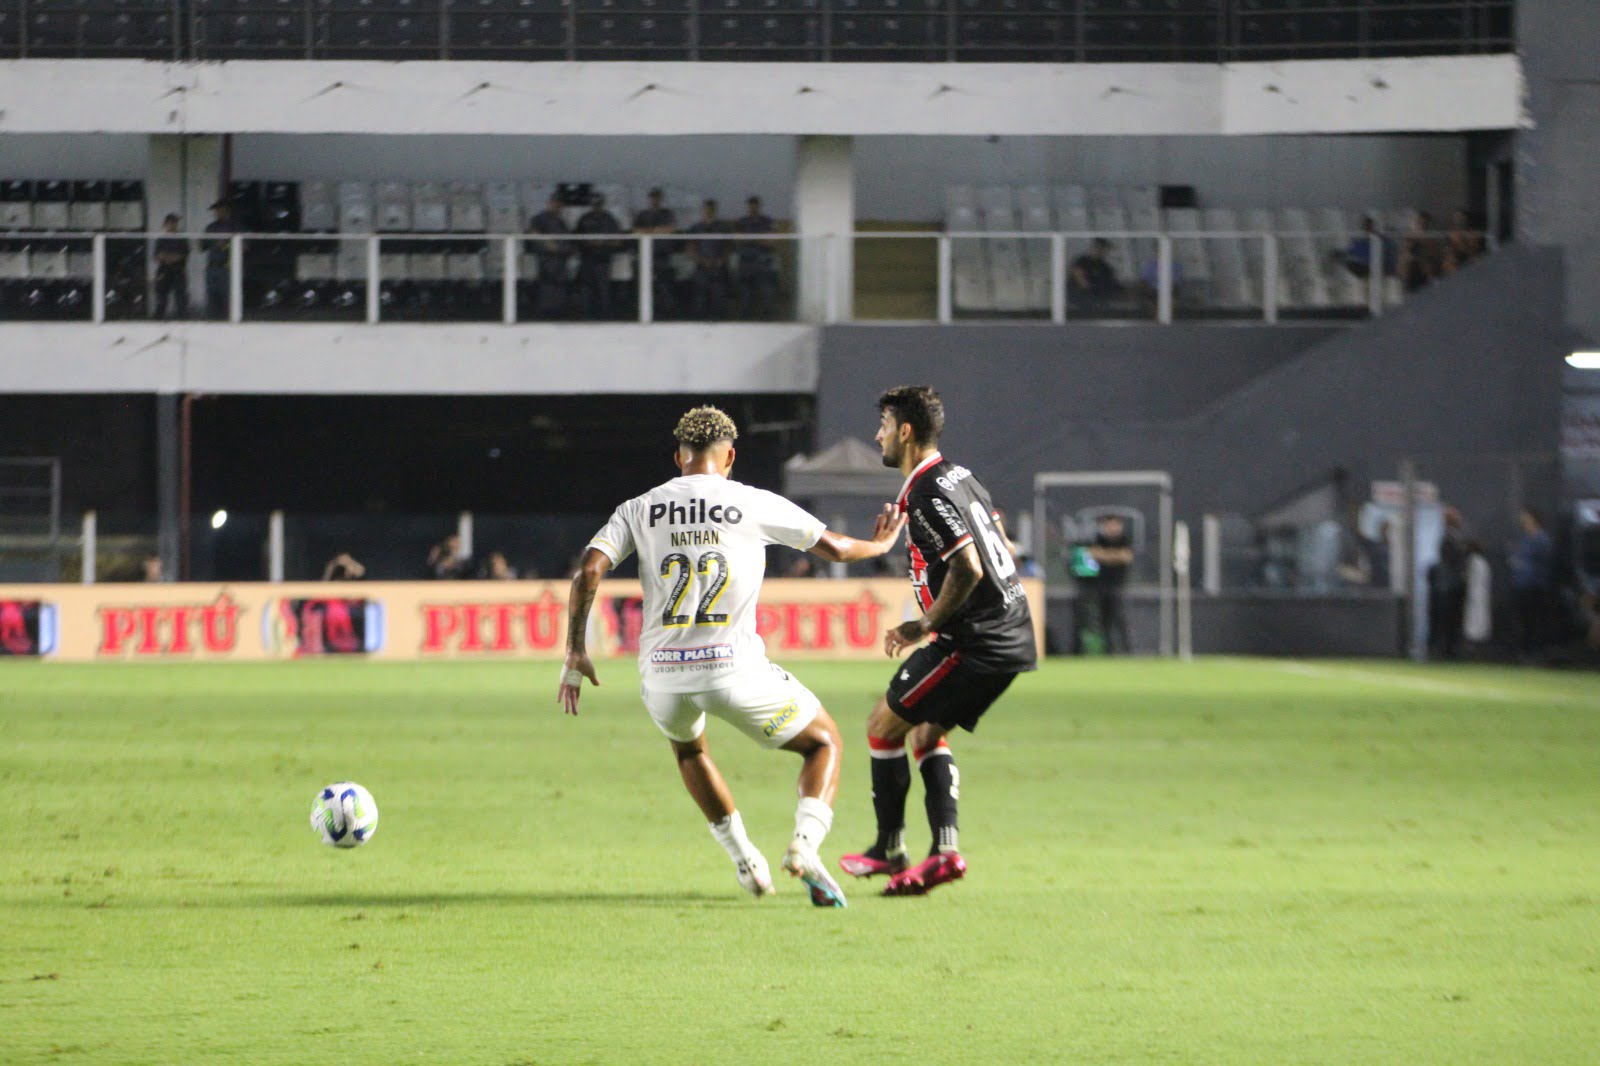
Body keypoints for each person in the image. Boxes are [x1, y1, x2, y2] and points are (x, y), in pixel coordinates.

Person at [558, 405, 906, 906]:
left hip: (662, 676)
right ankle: (805, 847)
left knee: (690, 751)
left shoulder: (639, 507)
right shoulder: (751, 501)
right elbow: (833, 547)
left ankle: (745, 860)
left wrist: (575, 652)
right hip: (731, 669)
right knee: (824, 743)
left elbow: (588, 572)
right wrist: (878, 546)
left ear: (679, 456)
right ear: (730, 458)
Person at [837, 385, 1037, 897]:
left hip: (973, 643)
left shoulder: (926, 490)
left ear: (904, 431)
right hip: (1010, 635)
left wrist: (921, 626)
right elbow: (1001, 542)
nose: (876, 434)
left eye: (882, 425)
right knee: (924, 734)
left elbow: (969, 566)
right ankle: (943, 855)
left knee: (883, 726)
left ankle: (888, 848)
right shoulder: (960, 475)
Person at [1509, 508, 1554, 659]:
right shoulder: (1525, 539)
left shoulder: (1542, 539)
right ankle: (1526, 650)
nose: (1523, 521)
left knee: (1535, 620)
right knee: (1524, 620)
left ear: (1534, 519)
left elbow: (1545, 563)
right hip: (1521, 585)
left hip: (1535, 587)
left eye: (1526, 518)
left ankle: (1537, 651)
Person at [1087, 514, 1134, 653]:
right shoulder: (1100, 539)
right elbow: (1095, 554)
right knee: (1104, 620)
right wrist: (1115, 556)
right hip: (1102, 586)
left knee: (1120, 618)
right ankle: (1108, 650)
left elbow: (1126, 556)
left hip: (1119, 586)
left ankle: (1126, 650)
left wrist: (1106, 555)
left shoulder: (1124, 539)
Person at [574, 194, 625, 319]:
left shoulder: (609, 219)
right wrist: (588, 242)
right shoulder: (584, 219)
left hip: (603, 259)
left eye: (598, 204)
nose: (596, 207)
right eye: (594, 204)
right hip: (587, 258)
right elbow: (577, 238)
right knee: (586, 289)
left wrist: (603, 242)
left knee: (604, 290)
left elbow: (618, 240)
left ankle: (605, 315)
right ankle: (586, 315)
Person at [1427, 507, 1469, 660]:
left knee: (1453, 620)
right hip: (1448, 586)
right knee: (1446, 619)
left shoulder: (1456, 537)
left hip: (1454, 585)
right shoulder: (1447, 538)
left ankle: (1450, 649)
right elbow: (1451, 560)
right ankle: (1442, 650)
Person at [632, 187, 679, 317]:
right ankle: (645, 313)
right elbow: (636, 231)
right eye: (652, 197)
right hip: (646, 256)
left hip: (662, 255)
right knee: (645, 286)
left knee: (664, 285)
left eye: (657, 197)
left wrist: (649, 231)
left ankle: (666, 314)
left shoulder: (667, 214)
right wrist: (655, 231)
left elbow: (670, 229)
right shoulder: (642, 215)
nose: (654, 200)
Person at [733, 196, 779, 320]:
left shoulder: (768, 221)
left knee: (767, 293)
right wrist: (759, 239)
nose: (753, 208)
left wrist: (750, 238)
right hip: (746, 262)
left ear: (759, 206)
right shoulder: (741, 222)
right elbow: (738, 240)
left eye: (755, 205)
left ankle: (768, 321)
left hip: (764, 262)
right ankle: (745, 322)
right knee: (745, 296)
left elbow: (771, 242)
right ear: (747, 207)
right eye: (750, 206)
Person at [525, 194, 571, 317]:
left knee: (560, 287)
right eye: (556, 202)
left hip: (561, 259)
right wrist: (548, 244)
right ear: (550, 203)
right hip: (547, 258)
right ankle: (545, 312)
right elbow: (533, 232)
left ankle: (559, 312)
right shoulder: (540, 218)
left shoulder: (561, 221)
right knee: (547, 286)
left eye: (560, 204)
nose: (558, 206)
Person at [686, 199, 732, 319]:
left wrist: (721, 260)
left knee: (719, 300)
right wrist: (701, 260)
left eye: (711, 209)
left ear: (715, 210)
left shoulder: (723, 227)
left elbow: (728, 247)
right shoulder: (696, 228)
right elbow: (690, 248)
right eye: (706, 209)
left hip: (719, 268)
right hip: (701, 267)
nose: (708, 212)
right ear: (702, 210)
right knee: (699, 300)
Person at [152, 213, 189, 319]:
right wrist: (168, 257)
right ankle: (158, 319)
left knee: (180, 297)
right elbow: (157, 256)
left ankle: (182, 319)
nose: (173, 225)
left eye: (175, 222)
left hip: (178, 270)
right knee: (161, 296)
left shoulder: (182, 238)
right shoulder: (161, 239)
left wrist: (167, 257)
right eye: (171, 222)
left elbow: (182, 255)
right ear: (165, 224)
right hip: (163, 270)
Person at [202, 200, 235, 320]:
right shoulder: (211, 227)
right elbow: (203, 247)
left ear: (226, 210)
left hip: (227, 267)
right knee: (212, 298)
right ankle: (212, 323)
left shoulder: (234, 226)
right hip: (212, 267)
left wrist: (227, 244)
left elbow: (245, 247)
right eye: (215, 211)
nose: (216, 213)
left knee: (227, 298)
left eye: (219, 210)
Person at [1400, 211, 1444, 294]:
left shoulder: (1431, 238)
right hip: (1412, 267)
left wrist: (1421, 238)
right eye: (1420, 223)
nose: (1422, 225)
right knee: (1407, 260)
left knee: (1426, 262)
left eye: (1424, 224)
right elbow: (1406, 250)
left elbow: (1434, 252)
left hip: (1425, 265)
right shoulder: (1411, 236)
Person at [1068, 238, 1119, 308]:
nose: (1103, 252)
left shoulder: (1104, 266)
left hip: (1099, 301)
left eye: (1105, 250)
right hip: (1081, 300)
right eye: (1101, 248)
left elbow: (1110, 281)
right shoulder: (1081, 262)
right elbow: (1081, 281)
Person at [1442, 209, 1485, 276]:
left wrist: (1462, 243)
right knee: (1450, 260)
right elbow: (1447, 250)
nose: (1459, 222)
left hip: (1470, 257)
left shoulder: (1473, 234)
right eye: (1457, 219)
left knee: (1476, 260)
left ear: (1467, 220)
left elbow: (1475, 251)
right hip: (1456, 257)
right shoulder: (1452, 234)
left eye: (1461, 219)